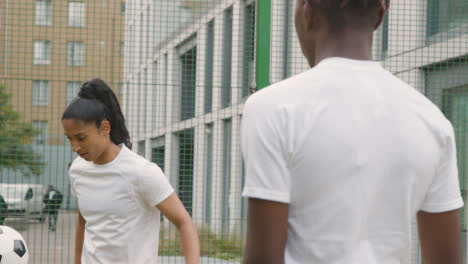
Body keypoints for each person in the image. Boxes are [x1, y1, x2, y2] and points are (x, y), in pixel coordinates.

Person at [241, 0, 464, 264]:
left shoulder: (273, 108)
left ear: (307, 12)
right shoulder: (433, 122)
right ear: (380, 16)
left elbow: (263, 258)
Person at [62, 79, 200, 264]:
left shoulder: (142, 172)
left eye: (81, 138)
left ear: (105, 128)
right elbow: (84, 222)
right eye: (70, 139)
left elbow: (184, 222)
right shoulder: (78, 170)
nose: (75, 147)